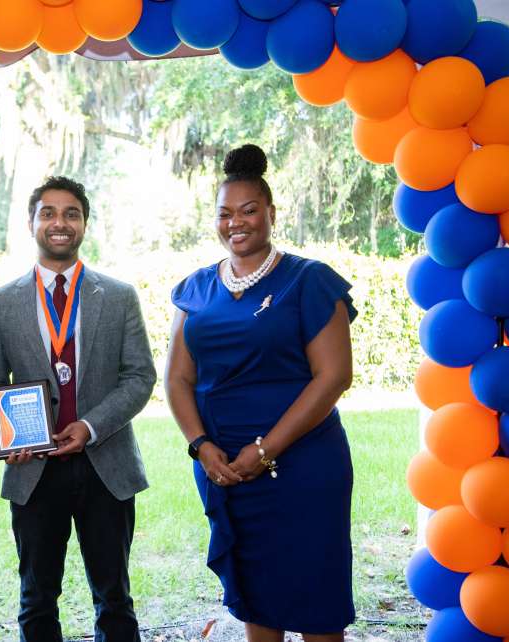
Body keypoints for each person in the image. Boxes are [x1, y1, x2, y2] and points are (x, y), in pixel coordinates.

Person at [164, 144, 357, 642]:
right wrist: (201, 447)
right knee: (256, 593)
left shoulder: (309, 281)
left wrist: (265, 449)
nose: (237, 222)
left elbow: (333, 377)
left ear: (271, 213)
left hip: (303, 467)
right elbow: (178, 379)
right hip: (224, 469)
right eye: (225, 213)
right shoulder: (195, 289)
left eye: (249, 210)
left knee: (317, 597)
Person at [0, 176, 156, 642]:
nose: (60, 222)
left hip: (106, 465)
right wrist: (5, 431)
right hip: (33, 469)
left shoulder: (118, 297)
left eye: (71, 213)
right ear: (31, 223)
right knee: (36, 599)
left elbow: (140, 377)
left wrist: (91, 427)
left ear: (84, 224)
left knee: (114, 597)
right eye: (49, 213)